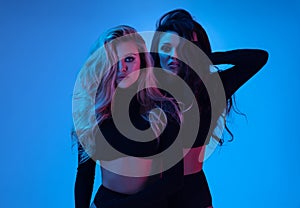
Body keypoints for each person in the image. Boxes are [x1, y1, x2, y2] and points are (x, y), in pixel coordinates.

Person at [150, 9, 269, 207]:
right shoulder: (145, 90)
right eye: (166, 47)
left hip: (191, 192)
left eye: (182, 49)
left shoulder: (212, 88)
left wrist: (203, 57)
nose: (173, 56)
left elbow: (258, 58)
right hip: (148, 191)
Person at [72, 25, 185, 208]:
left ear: (142, 61)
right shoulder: (92, 114)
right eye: (113, 61)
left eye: (130, 59)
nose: (122, 68)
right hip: (104, 203)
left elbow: (173, 180)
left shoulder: (164, 109)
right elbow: (85, 175)